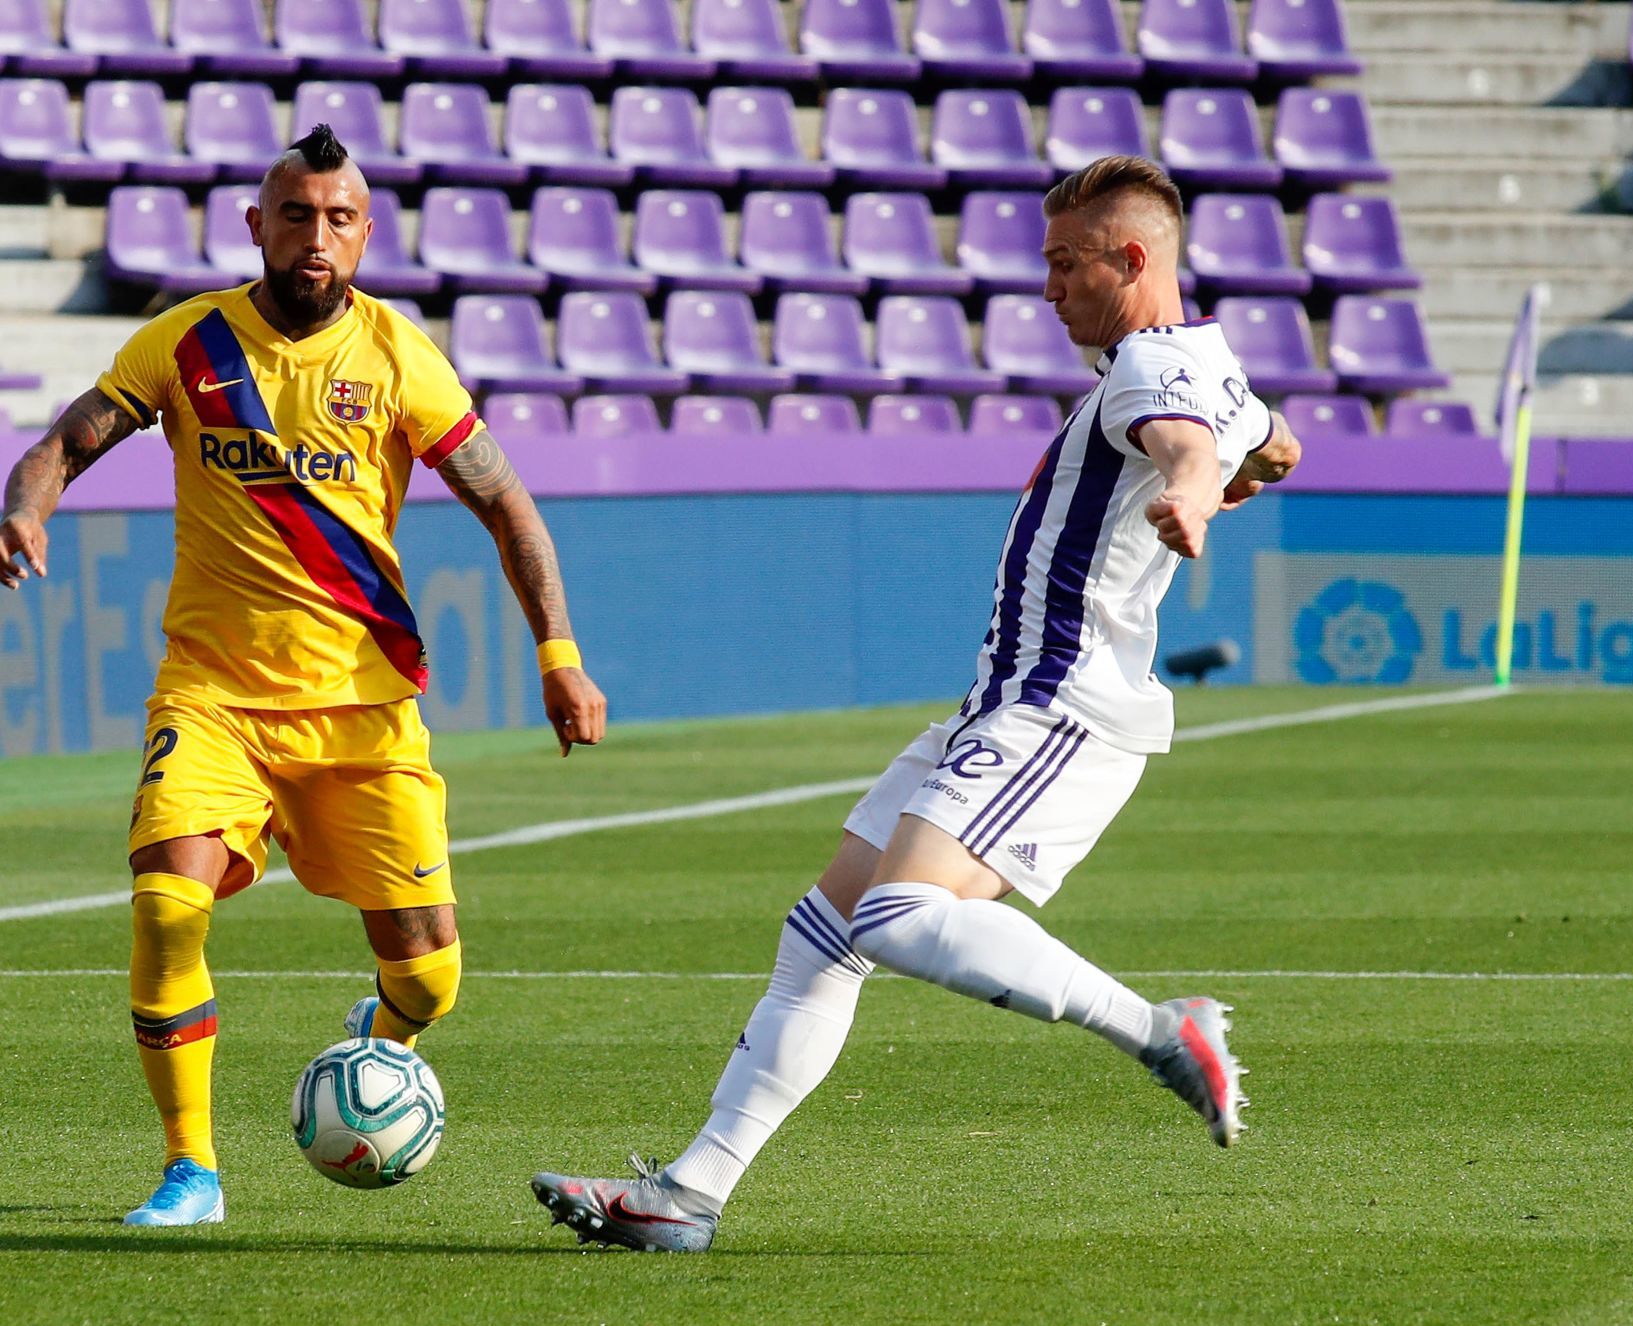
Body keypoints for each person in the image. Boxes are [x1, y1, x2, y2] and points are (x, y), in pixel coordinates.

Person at [530, 156, 1302, 1253]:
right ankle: (686, 1194)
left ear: (1131, 260)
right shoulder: (1209, 360)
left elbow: (1181, 443)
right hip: (1005, 701)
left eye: (1064, 262)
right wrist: (1238, 471)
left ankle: (1160, 1030)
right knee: (823, 936)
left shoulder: (1143, 367)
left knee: (894, 917)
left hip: (1057, 705)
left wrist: (1189, 490)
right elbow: (1275, 440)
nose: (1047, 289)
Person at [0, 125, 608, 1227]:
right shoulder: (186, 344)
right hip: (212, 697)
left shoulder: (399, 356)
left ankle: (380, 1040)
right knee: (167, 904)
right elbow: (68, 442)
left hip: (363, 712)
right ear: (256, 224)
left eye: (336, 219)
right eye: (294, 215)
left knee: (428, 981)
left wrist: (557, 653)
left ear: (363, 233)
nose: (314, 237)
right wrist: (25, 512)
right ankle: (191, 1171)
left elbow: (505, 501)